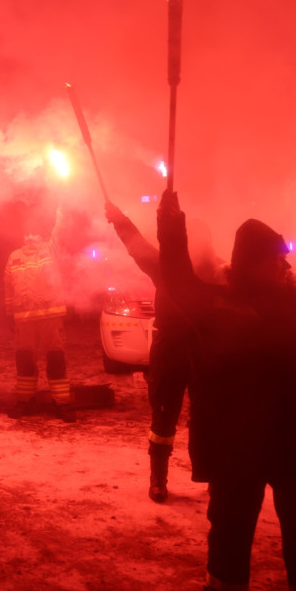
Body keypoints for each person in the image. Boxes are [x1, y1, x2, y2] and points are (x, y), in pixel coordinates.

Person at [157, 190, 296, 591]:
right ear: (250, 263)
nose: (284, 266)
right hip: (238, 447)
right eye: (274, 259)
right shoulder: (220, 306)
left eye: (284, 259)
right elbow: (176, 280)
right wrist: (171, 227)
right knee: (230, 531)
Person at [105, 201, 224, 502]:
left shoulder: (222, 273)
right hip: (170, 348)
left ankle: (214, 477)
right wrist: (120, 219)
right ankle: (158, 478)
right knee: (163, 417)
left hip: (206, 351)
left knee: (210, 416)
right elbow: (137, 247)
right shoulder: (167, 269)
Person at [3, 208, 73, 421]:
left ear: (42, 235)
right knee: (24, 362)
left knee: (56, 361)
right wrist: (8, 314)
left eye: (34, 233)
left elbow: (60, 229)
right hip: (24, 321)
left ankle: (62, 404)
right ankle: (26, 401)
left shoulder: (50, 250)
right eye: (27, 233)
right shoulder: (14, 257)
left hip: (50, 318)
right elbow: (8, 288)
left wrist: (62, 205)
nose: (30, 237)